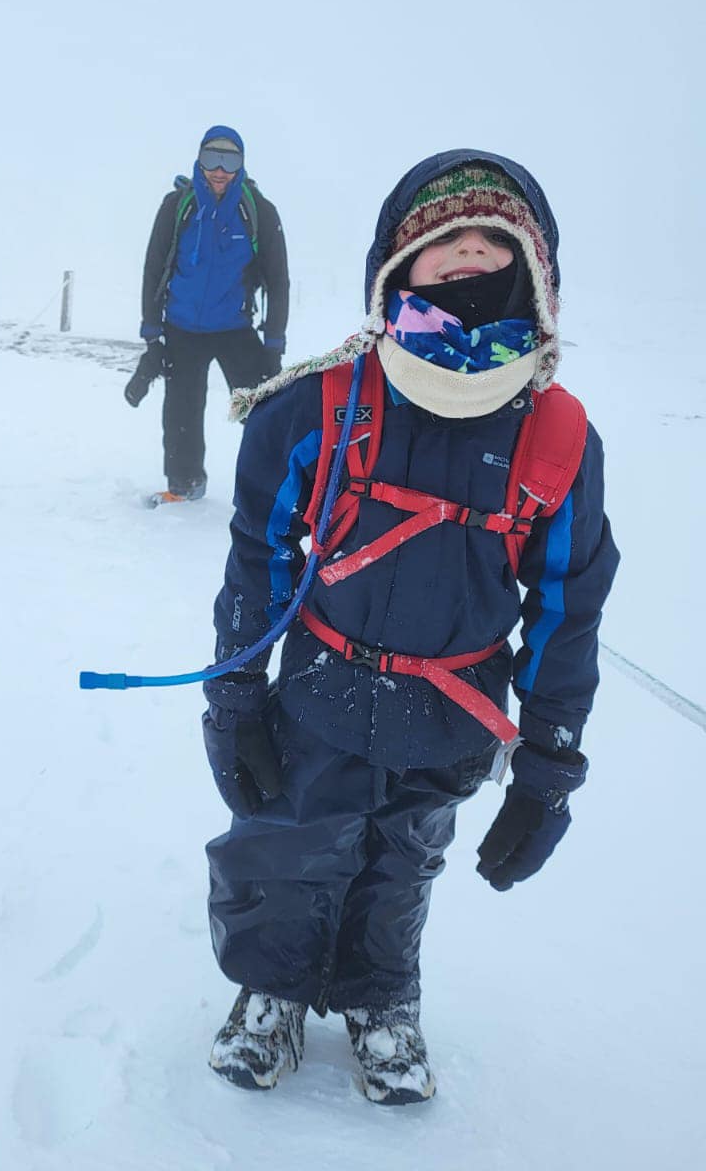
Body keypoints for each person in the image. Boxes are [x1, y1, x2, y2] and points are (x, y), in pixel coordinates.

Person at [200, 151, 619, 1103]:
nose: (468, 256)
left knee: (403, 860)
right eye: (443, 244)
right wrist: (233, 697)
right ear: (396, 269)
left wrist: (550, 763)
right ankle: (270, 990)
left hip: (454, 712)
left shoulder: (556, 438)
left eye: (493, 245)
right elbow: (257, 555)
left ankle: (381, 997)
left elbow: (568, 604)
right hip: (319, 690)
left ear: (534, 277)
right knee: (284, 843)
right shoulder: (324, 404)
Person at [132, 127, 289, 505]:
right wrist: (153, 333)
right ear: (199, 160)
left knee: (265, 407)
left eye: (230, 160)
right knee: (181, 410)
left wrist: (274, 343)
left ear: (242, 163)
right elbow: (153, 268)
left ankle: (280, 485)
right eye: (211, 159)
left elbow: (278, 280)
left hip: (235, 328)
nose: (219, 170)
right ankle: (184, 485)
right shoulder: (177, 206)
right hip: (182, 327)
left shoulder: (258, 212)